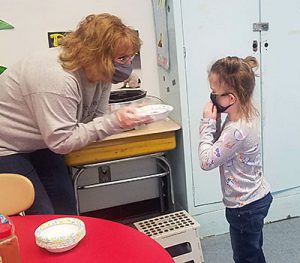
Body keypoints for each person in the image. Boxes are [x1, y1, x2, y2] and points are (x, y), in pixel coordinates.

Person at [0, 13, 152, 215]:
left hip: (43, 142)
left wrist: (119, 120)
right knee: (41, 216)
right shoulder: (58, 79)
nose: (128, 65)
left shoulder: (101, 71)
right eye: (122, 58)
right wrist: (115, 122)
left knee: (66, 208)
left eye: (131, 57)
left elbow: (94, 119)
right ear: (97, 54)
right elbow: (62, 141)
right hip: (7, 146)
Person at [198, 56, 272, 263]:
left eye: (214, 93)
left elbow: (207, 161)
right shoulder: (240, 118)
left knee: (245, 257)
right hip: (254, 199)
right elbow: (221, 150)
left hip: (244, 207)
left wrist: (207, 123)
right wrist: (217, 122)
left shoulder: (237, 131)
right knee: (253, 251)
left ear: (230, 98)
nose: (211, 97)